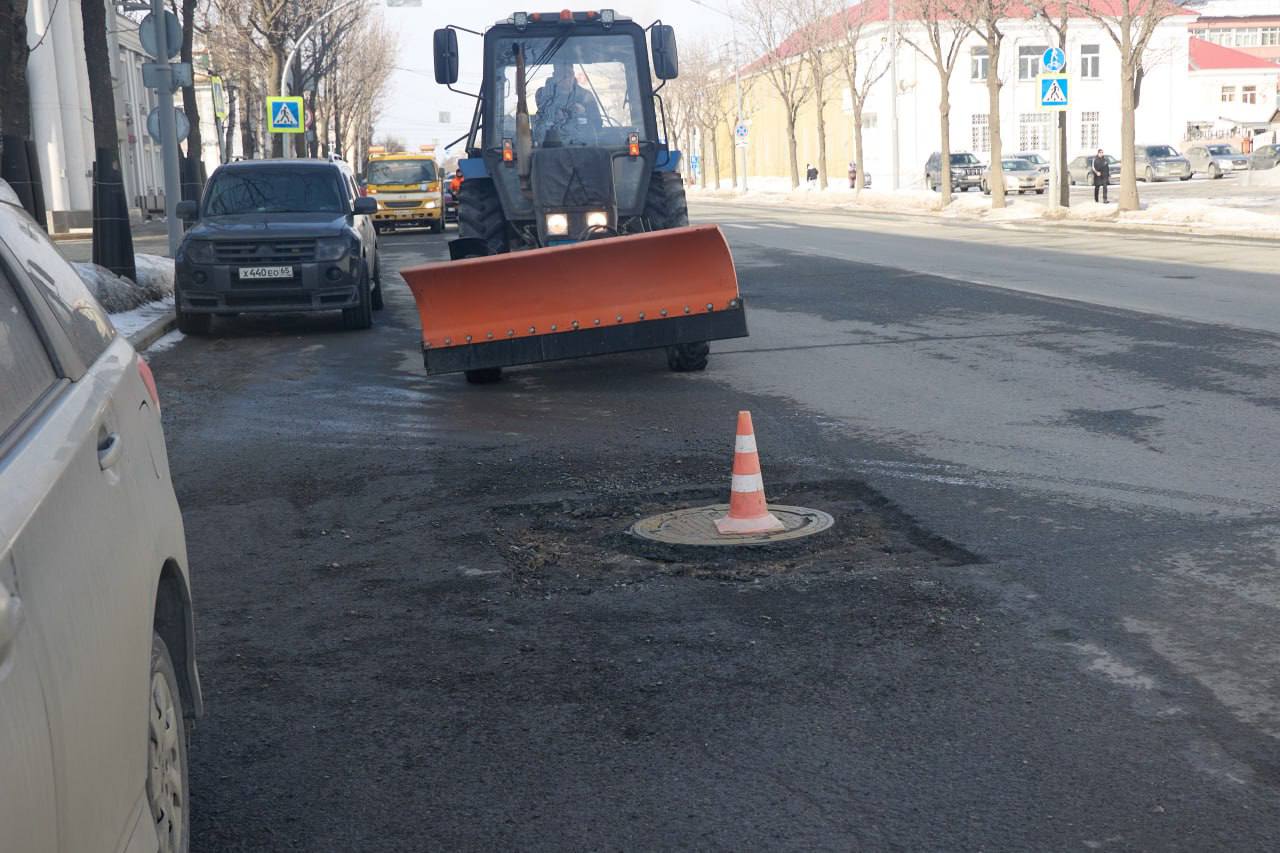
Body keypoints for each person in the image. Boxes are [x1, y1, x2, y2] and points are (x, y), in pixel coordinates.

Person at [534, 61, 601, 146]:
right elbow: (539, 122)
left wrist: (583, 113)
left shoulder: (586, 96)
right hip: (549, 147)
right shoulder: (543, 94)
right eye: (561, 74)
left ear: (573, 75)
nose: (565, 77)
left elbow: (598, 125)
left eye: (568, 73)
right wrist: (554, 115)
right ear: (554, 76)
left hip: (582, 146)